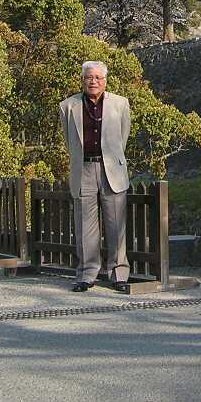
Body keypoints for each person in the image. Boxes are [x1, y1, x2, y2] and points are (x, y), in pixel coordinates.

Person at [58, 61, 132, 293]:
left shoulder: (120, 104)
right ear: (82, 79)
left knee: (116, 224)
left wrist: (112, 159)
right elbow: (68, 140)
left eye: (98, 77)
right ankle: (86, 274)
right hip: (84, 169)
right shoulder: (68, 106)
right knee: (84, 226)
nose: (93, 81)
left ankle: (118, 273)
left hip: (112, 169)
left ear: (105, 80)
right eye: (89, 77)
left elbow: (123, 136)